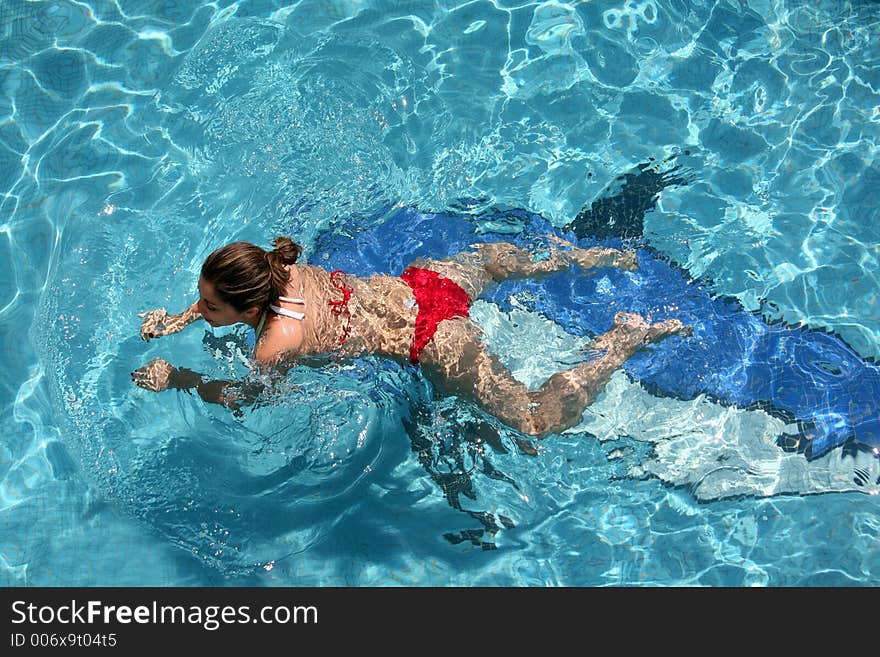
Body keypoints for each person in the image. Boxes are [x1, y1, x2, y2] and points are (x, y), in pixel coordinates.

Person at [132, 236, 691, 435]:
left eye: (207, 304)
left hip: (431, 335)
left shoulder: (274, 341)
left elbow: (247, 398)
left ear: (250, 304)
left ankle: (621, 344)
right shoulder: (269, 266)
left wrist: (178, 377)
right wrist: (180, 319)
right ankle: (600, 257)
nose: (199, 307)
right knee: (493, 266)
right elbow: (229, 292)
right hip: (424, 283)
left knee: (532, 419)